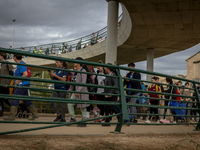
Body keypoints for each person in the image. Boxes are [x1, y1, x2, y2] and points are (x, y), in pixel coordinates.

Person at [4, 54, 38, 121]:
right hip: (24, 84)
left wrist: (17, 81)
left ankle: (12, 116)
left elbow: (25, 74)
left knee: (15, 98)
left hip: (22, 84)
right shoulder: (19, 64)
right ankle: (35, 114)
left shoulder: (21, 64)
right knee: (27, 100)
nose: (13, 58)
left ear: (15, 57)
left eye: (13, 57)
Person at [68, 57, 89, 127]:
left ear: (79, 63)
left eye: (75, 62)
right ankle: (73, 117)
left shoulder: (83, 70)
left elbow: (83, 82)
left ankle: (84, 120)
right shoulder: (75, 71)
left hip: (81, 91)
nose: (74, 63)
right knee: (70, 103)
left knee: (83, 106)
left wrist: (78, 91)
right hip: (75, 91)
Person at [0, 52, 14, 116]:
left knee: (6, 99)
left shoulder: (7, 64)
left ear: (2, 56)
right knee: (1, 99)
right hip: (1, 84)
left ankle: (15, 109)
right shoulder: (1, 64)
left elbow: (14, 71)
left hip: (6, 85)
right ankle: (1, 112)